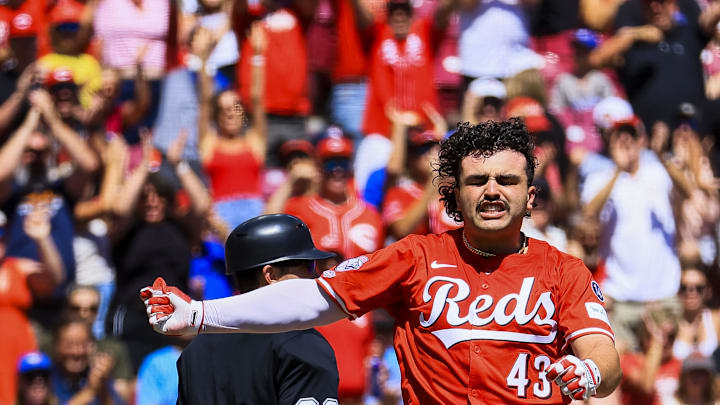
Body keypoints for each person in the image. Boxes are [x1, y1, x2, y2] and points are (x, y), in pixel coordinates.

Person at [141, 119, 622, 404]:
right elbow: (310, 299)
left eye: (507, 181)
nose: (492, 191)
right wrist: (201, 315)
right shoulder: (416, 257)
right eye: (478, 181)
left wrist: (589, 373)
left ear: (531, 195)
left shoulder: (565, 270)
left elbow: (605, 355)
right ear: (453, 192)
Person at [143, 214, 339, 405]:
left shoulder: (196, 350)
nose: (315, 276)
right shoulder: (303, 343)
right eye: (307, 266)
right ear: (270, 275)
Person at [673, 268, 720, 361]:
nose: (691, 292)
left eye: (699, 288)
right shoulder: (670, 323)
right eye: (684, 288)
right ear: (678, 292)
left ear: (708, 291)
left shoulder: (717, 320)